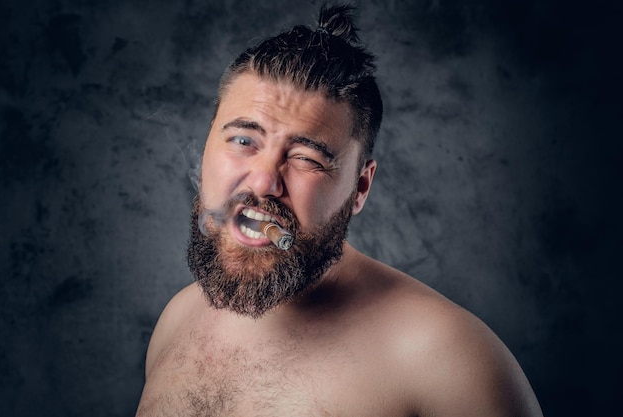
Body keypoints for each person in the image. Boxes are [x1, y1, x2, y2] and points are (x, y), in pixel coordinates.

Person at [136, 3, 543, 416]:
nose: (262, 182)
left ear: (360, 187)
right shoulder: (179, 319)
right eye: (243, 141)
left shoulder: (447, 362)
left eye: (306, 159)